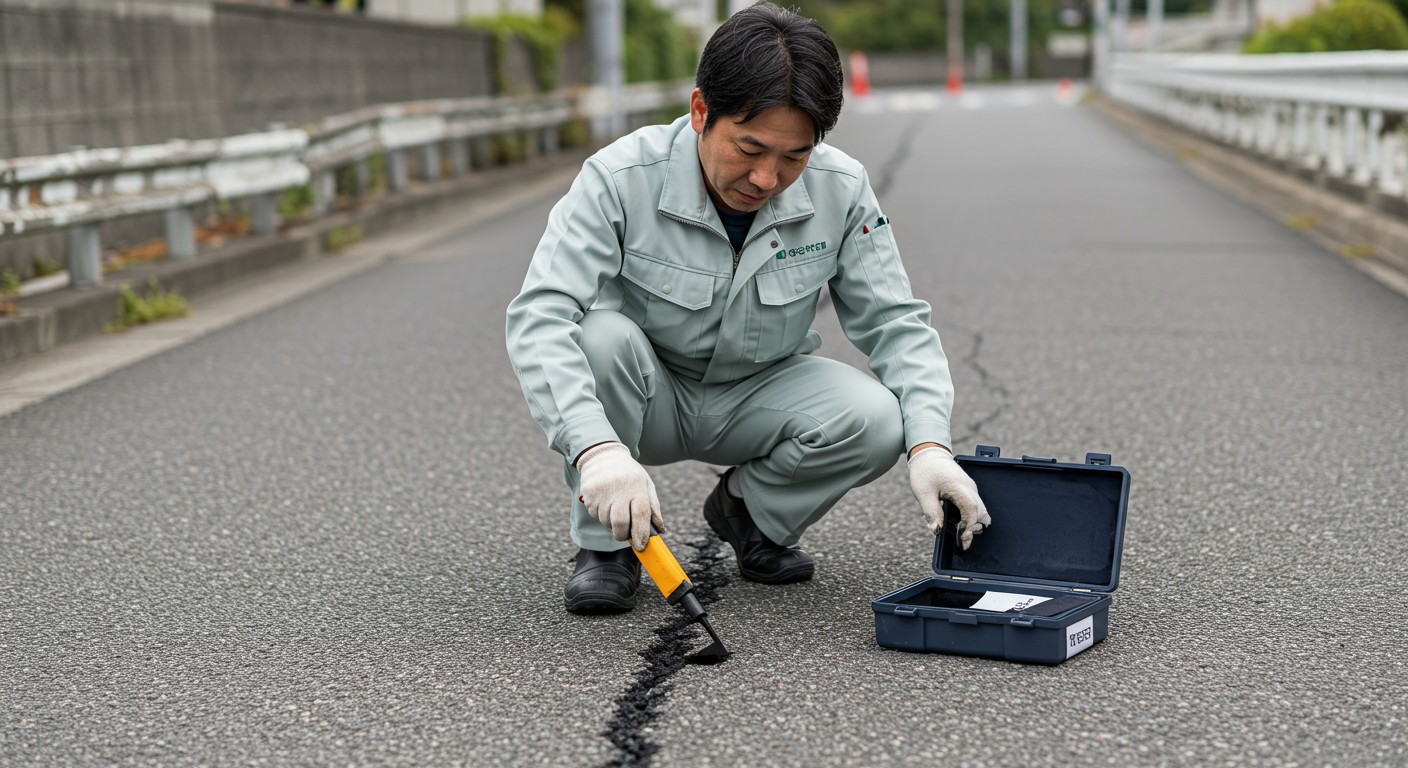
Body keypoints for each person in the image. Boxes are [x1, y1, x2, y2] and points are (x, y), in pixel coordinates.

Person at [505, 1, 990, 615]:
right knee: (596, 338)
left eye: (794, 156)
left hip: (757, 392)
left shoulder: (842, 189)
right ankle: (607, 546)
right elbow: (541, 314)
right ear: (701, 110)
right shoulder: (620, 177)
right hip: (646, 394)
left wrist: (931, 449)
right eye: (750, 148)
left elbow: (895, 323)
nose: (766, 178)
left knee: (881, 419)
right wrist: (595, 449)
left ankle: (752, 514)